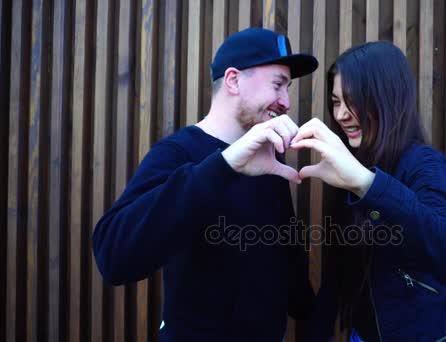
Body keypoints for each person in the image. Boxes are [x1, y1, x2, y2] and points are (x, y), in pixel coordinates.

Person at [92, 27, 319, 341]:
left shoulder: (268, 159)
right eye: (278, 85)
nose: (286, 102)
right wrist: (223, 166)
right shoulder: (178, 153)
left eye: (288, 88)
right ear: (233, 80)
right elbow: (114, 256)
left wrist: (317, 318)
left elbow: (285, 264)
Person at [290, 41, 446, 341]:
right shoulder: (350, 166)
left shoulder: (423, 162)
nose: (340, 114)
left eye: (351, 100)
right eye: (336, 101)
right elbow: (340, 269)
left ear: (387, 98)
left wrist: (367, 184)